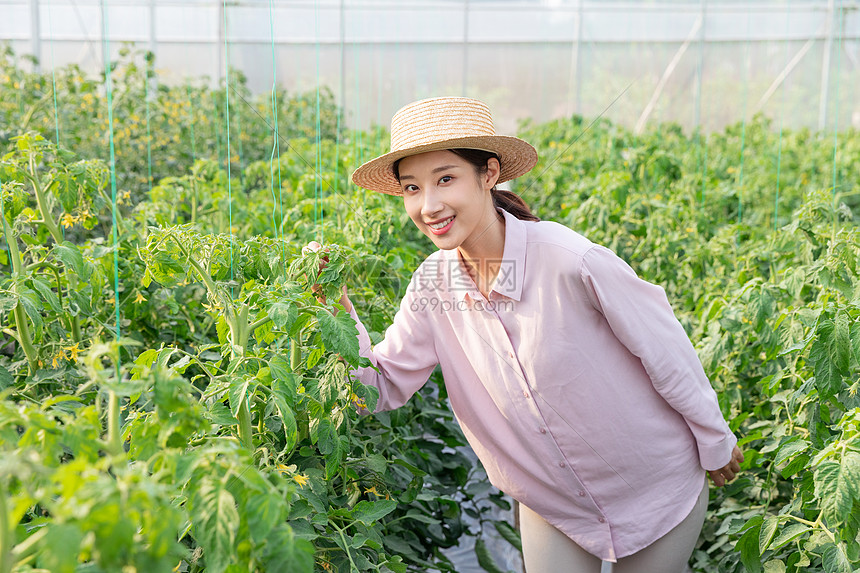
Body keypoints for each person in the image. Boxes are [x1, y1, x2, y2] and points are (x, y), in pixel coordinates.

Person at [323, 96, 743, 572]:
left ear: (489, 174)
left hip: (652, 486)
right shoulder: (432, 286)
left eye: (446, 179)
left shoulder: (570, 260)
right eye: (411, 188)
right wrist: (331, 309)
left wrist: (714, 440)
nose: (428, 205)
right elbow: (378, 387)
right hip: (554, 501)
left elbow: (666, 352)